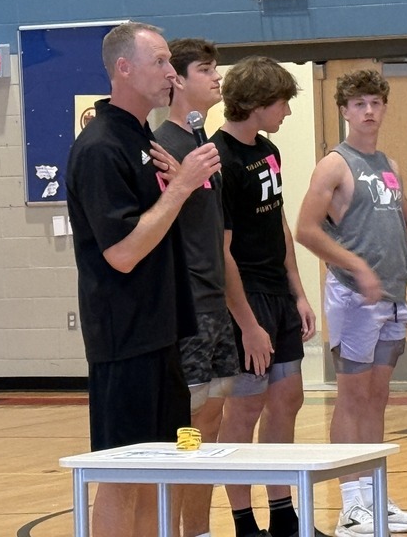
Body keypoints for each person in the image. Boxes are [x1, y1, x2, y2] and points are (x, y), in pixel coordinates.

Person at [66, 22, 220, 537]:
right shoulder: (100, 147)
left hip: (162, 335)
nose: (170, 72)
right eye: (159, 62)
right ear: (123, 69)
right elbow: (123, 253)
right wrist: (178, 187)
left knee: (163, 467)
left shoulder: (142, 139)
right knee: (121, 475)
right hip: (124, 338)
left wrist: (177, 184)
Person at [294, 69, 407, 537]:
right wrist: (355, 267)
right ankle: (350, 503)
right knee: (352, 399)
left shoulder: (388, 165)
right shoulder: (334, 164)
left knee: (377, 399)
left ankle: (374, 495)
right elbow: (306, 229)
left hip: (393, 296)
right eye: (359, 103)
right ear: (344, 110)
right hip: (354, 298)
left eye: (376, 102)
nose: (369, 111)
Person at [212, 56, 321, 537]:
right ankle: (243, 520)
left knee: (288, 399)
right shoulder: (221, 161)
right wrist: (248, 323)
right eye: (282, 104)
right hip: (247, 299)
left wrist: (298, 291)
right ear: (256, 104)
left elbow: (277, 223)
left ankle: (283, 515)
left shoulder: (268, 149)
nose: (287, 114)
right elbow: (223, 252)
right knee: (245, 407)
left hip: (278, 294)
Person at [153, 38, 240, 537]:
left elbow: (220, 238)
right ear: (177, 80)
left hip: (214, 303)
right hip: (185, 307)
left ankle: (198, 530)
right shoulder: (163, 147)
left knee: (209, 422)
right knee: (182, 428)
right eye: (206, 69)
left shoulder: (205, 146)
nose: (217, 78)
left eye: (217, 69)